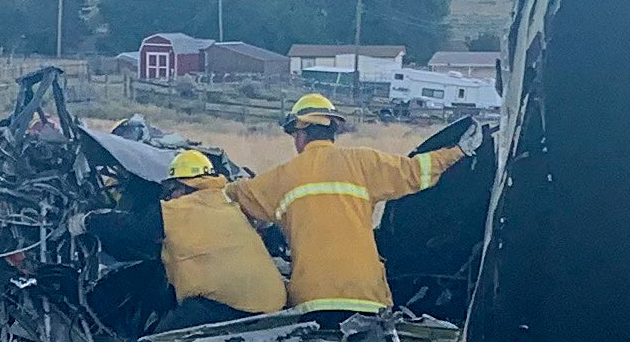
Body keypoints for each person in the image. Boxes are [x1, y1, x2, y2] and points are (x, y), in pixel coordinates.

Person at [230, 91, 462, 315]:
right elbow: (417, 170)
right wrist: (459, 151)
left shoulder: (282, 177)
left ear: (301, 134)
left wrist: (203, 181)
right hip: (366, 298)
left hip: (312, 300)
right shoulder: (363, 162)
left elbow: (235, 195)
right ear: (332, 131)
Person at [140, 146, 288, 328]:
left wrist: (95, 218)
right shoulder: (227, 204)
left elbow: (130, 228)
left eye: (171, 190)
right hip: (273, 304)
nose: (169, 197)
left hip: (228, 307)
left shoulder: (178, 210)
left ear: (181, 187)